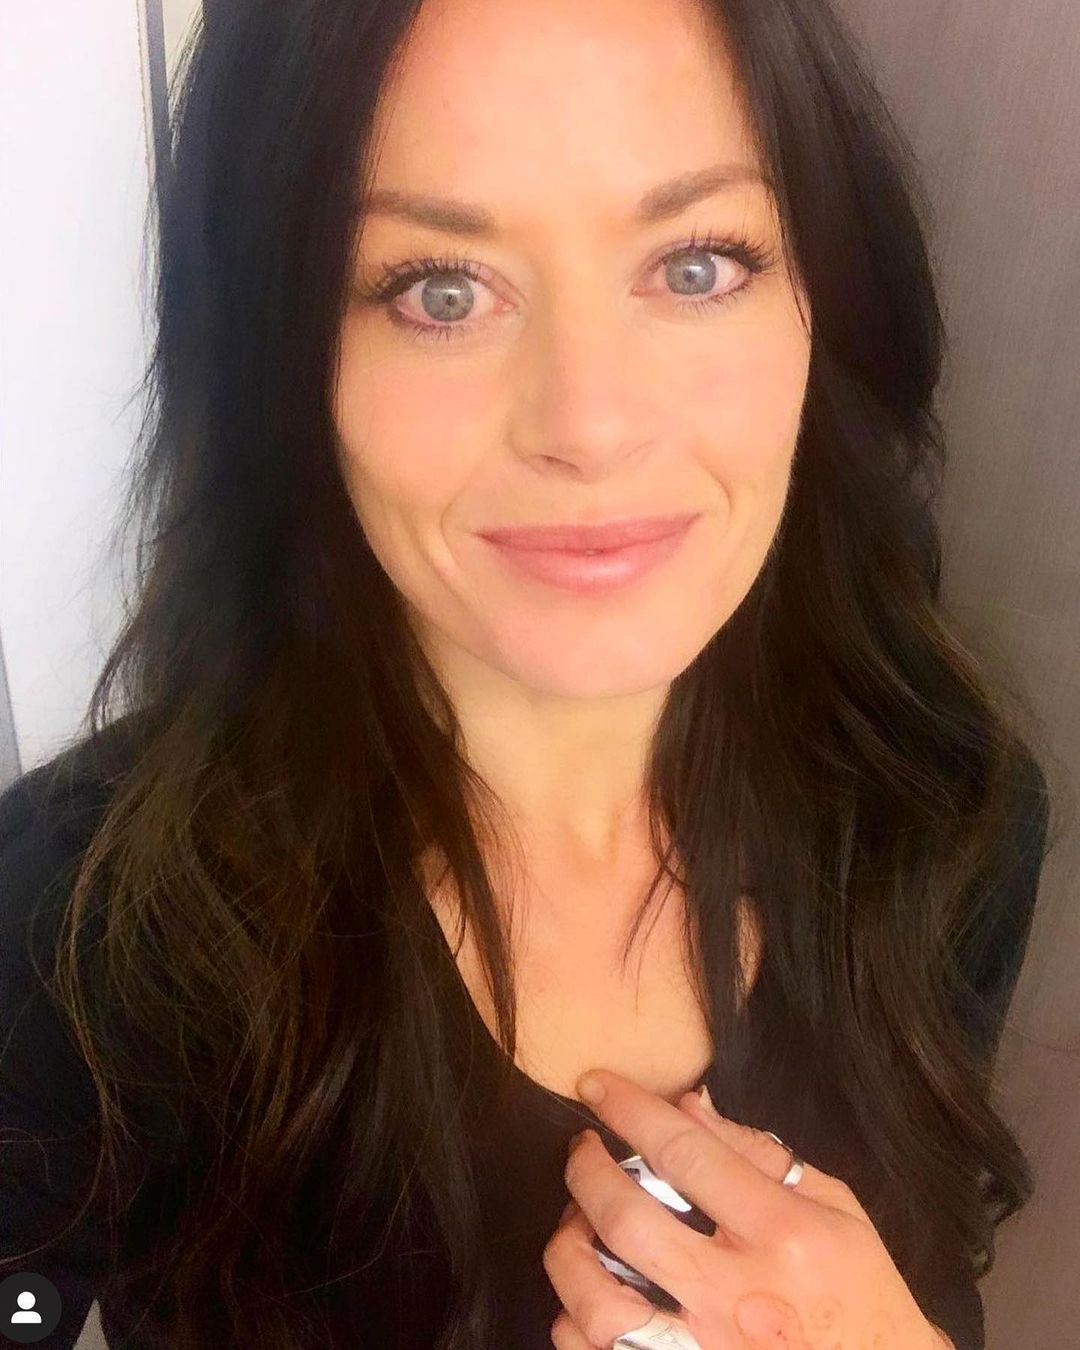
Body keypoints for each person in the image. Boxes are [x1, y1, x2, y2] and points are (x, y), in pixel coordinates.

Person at [0, 0, 1054, 1346]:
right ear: (285, 357)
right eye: (440, 290)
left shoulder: (945, 816)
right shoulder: (81, 932)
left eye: (697, 265)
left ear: (823, 310)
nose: (590, 424)